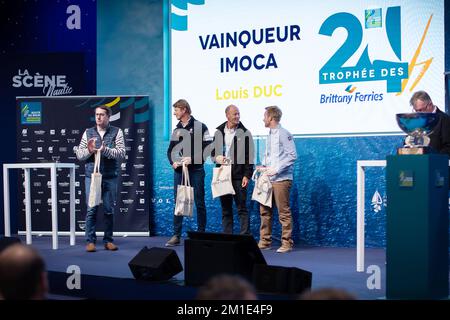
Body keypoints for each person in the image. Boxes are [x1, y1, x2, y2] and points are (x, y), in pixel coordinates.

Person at [76, 105, 126, 252]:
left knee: (109, 210)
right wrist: (89, 150)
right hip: (91, 176)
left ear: (108, 117)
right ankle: (90, 241)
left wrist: (105, 150)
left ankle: (108, 241)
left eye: (102, 115)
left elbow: (121, 153)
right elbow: (80, 155)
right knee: (91, 208)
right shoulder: (88, 132)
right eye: (97, 114)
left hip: (110, 176)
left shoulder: (117, 132)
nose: (98, 117)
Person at [166, 99, 212, 246]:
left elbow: (208, 149)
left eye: (176, 110)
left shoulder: (201, 126)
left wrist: (193, 159)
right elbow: (170, 151)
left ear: (184, 109)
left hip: (197, 171)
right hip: (180, 172)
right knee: (179, 202)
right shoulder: (176, 129)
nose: (174, 113)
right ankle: (176, 235)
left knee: (199, 202)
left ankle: (201, 234)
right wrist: (173, 162)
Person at [257, 106, 297, 253]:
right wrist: (264, 166)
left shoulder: (284, 134)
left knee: (283, 212)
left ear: (271, 118)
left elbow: (292, 156)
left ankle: (287, 243)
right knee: (265, 211)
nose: (263, 119)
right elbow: (271, 156)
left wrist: (277, 169)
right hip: (268, 178)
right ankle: (265, 241)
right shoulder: (270, 134)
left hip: (281, 179)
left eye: (264, 116)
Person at [212, 104, 254, 234]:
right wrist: (216, 158)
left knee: (241, 209)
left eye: (238, 114)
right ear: (227, 115)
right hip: (223, 175)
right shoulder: (218, 132)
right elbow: (213, 153)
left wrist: (247, 175)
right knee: (226, 210)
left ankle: (244, 237)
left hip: (238, 176)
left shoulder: (246, 133)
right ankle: (227, 237)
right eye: (235, 114)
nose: (237, 116)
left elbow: (249, 157)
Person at [409, 90, 450, 155]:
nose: (418, 114)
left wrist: (435, 159)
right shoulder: (415, 121)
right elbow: (408, 142)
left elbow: (448, 146)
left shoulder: (444, 119)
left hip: (437, 163)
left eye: (420, 110)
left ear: (430, 104)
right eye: (416, 111)